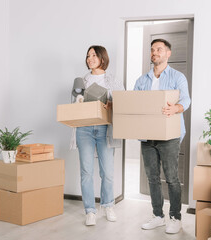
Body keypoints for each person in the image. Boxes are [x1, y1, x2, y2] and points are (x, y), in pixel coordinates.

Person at [134, 39, 191, 234]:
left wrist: (176, 108)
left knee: (172, 177)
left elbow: (186, 99)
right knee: (152, 178)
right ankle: (158, 216)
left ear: (168, 53)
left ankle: (175, 217)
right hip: (147, 136)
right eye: (152, 50)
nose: (154, 52)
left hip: (170, 136)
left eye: (159, 49)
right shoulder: (142, 81)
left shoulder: (177, 77)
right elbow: (135, 105)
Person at [71, 45, 124, 226]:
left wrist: (112, 103)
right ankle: (90, 211)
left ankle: (108, 205)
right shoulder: (81, 80)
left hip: (105, 130)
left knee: (107, 172)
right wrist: (78, 101)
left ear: (102, 58)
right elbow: (73, 104)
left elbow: (124, 103)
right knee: (86, 172)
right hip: (84, 129)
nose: (90, 58)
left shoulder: (114, 81)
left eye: (94, 55)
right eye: (88, 56)